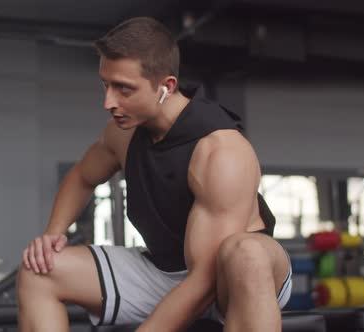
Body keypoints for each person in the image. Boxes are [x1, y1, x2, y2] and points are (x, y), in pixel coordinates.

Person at [18, 16, 292, 332]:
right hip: (165, 272)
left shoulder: (221, 150)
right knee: (38, 270)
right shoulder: (122, 134)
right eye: (106, 85)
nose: (109, 102)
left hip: (233, 282)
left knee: (246, 253)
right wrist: (54, 233)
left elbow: (204, 279)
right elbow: (83, 176)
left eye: (124, 89)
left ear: (166, 87)